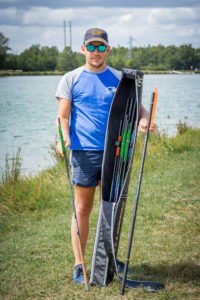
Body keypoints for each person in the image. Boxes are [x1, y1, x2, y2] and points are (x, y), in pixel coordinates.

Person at [55, 28, 155, 284]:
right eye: (92, 46)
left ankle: (109, 258)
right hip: (83, 152)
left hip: (116, 151)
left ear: (108, 50)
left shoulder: (121, 79)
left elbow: (140, 110)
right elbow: (62, 117)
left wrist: (145, 122)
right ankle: (80, 266)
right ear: (83, 49)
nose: (96, 52)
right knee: (82, 208)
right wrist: (63, 137)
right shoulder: (70, 78)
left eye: (101, 47)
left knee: (109, 208)